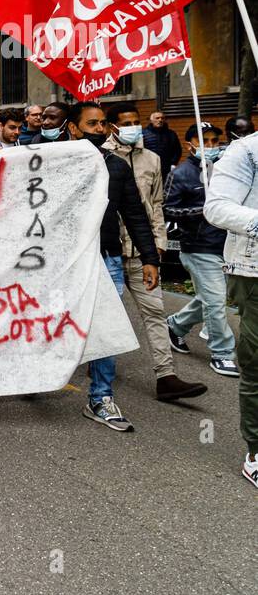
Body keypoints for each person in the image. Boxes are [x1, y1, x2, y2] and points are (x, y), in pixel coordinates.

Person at [104, 102, 205, 402]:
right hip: (108, 251)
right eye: (127, 122)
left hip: (143, 253)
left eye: (137, 121)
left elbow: (156, 205)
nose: (133, 126)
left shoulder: (152, 159)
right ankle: (97, 363)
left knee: (155, 312)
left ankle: (166, 376)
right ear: (113, 127)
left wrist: (157, 244)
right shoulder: (101, 157)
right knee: (108, 315)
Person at [73, 102, 165, 432]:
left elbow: (136, 215)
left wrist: (150, 258)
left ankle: (100, 397)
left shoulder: (117, 167)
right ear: (74, 128)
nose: (98, 130)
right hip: (64, 263)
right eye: (91, 124)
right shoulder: (56, 166)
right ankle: (38, 375)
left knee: (106, 329)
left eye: (102, 124)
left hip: (107, 258)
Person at [202, 129, 258, 489]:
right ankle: (256, 451)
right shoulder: (247, 150)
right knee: (257, 361)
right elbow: (216, 207)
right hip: (254, 272)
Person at [165, 122, 239, 377]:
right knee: (216, 301)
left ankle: (174, 326)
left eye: (214, 142)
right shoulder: (181, 174)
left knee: (209, 297)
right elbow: (168, 209)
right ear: (190, 144)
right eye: (204, 141)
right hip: (197, 247)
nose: (210, 146)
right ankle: (222, 353)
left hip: (227, 245)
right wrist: (200, 211)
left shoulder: (223, 172)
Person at [143, 111, 181, 182]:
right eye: (157, 118)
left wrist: (173, 164)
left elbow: (177, 150)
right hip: (148, 168)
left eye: (162, 118)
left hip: (166, 168)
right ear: (151, 120)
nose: (160, 120)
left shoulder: (171, 134)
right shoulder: (143, 134)